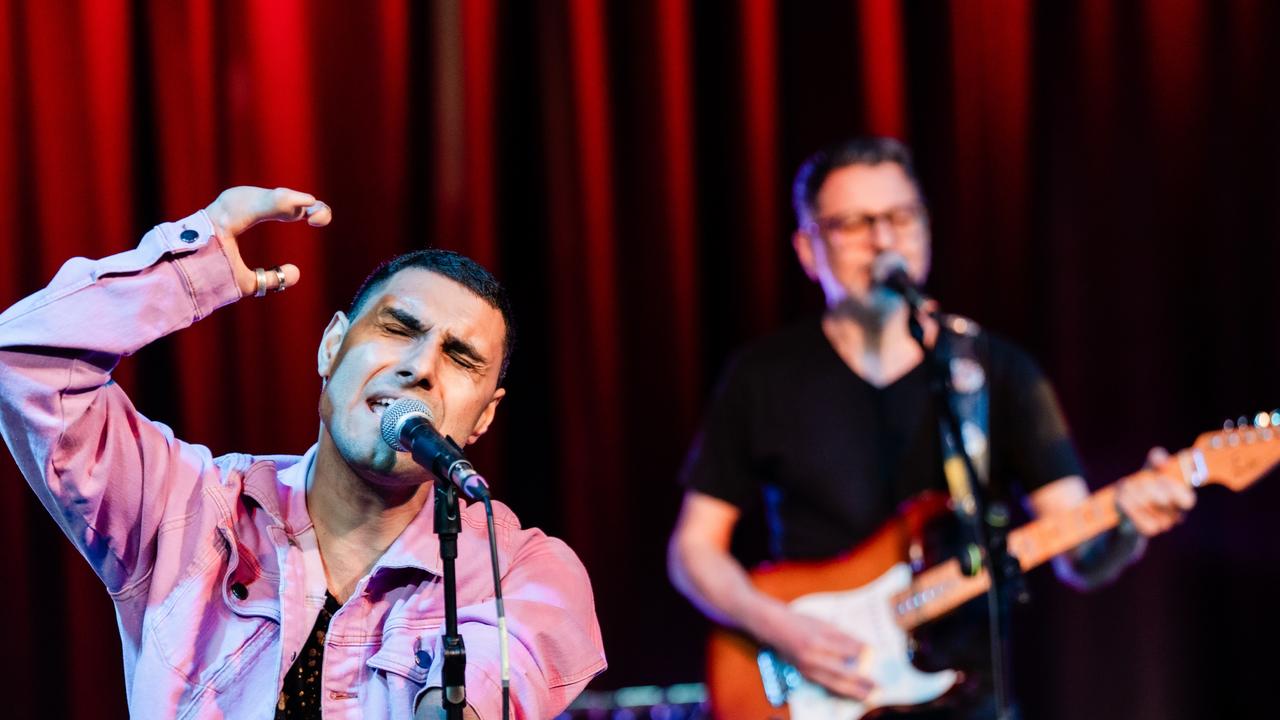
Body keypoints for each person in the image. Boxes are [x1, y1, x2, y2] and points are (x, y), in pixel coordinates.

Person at [0, 187, 606, 719]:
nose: (421, 368)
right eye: (398, 329)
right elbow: (22, 366)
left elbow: (498, 674)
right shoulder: (184, 507)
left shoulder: (520, 571)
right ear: (332, 347)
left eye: (460, 358)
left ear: (484, 416)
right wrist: (194, 266)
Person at [667, 137, 1194, 718]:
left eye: (900, 217)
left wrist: (1128, 523)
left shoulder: (995, 371)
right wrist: (782, 628)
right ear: (808, 248)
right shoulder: (763, 378)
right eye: (853, 224)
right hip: (821, 686)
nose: (883, 240)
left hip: (965, 697)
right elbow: (694, 550)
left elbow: (1080, 555)